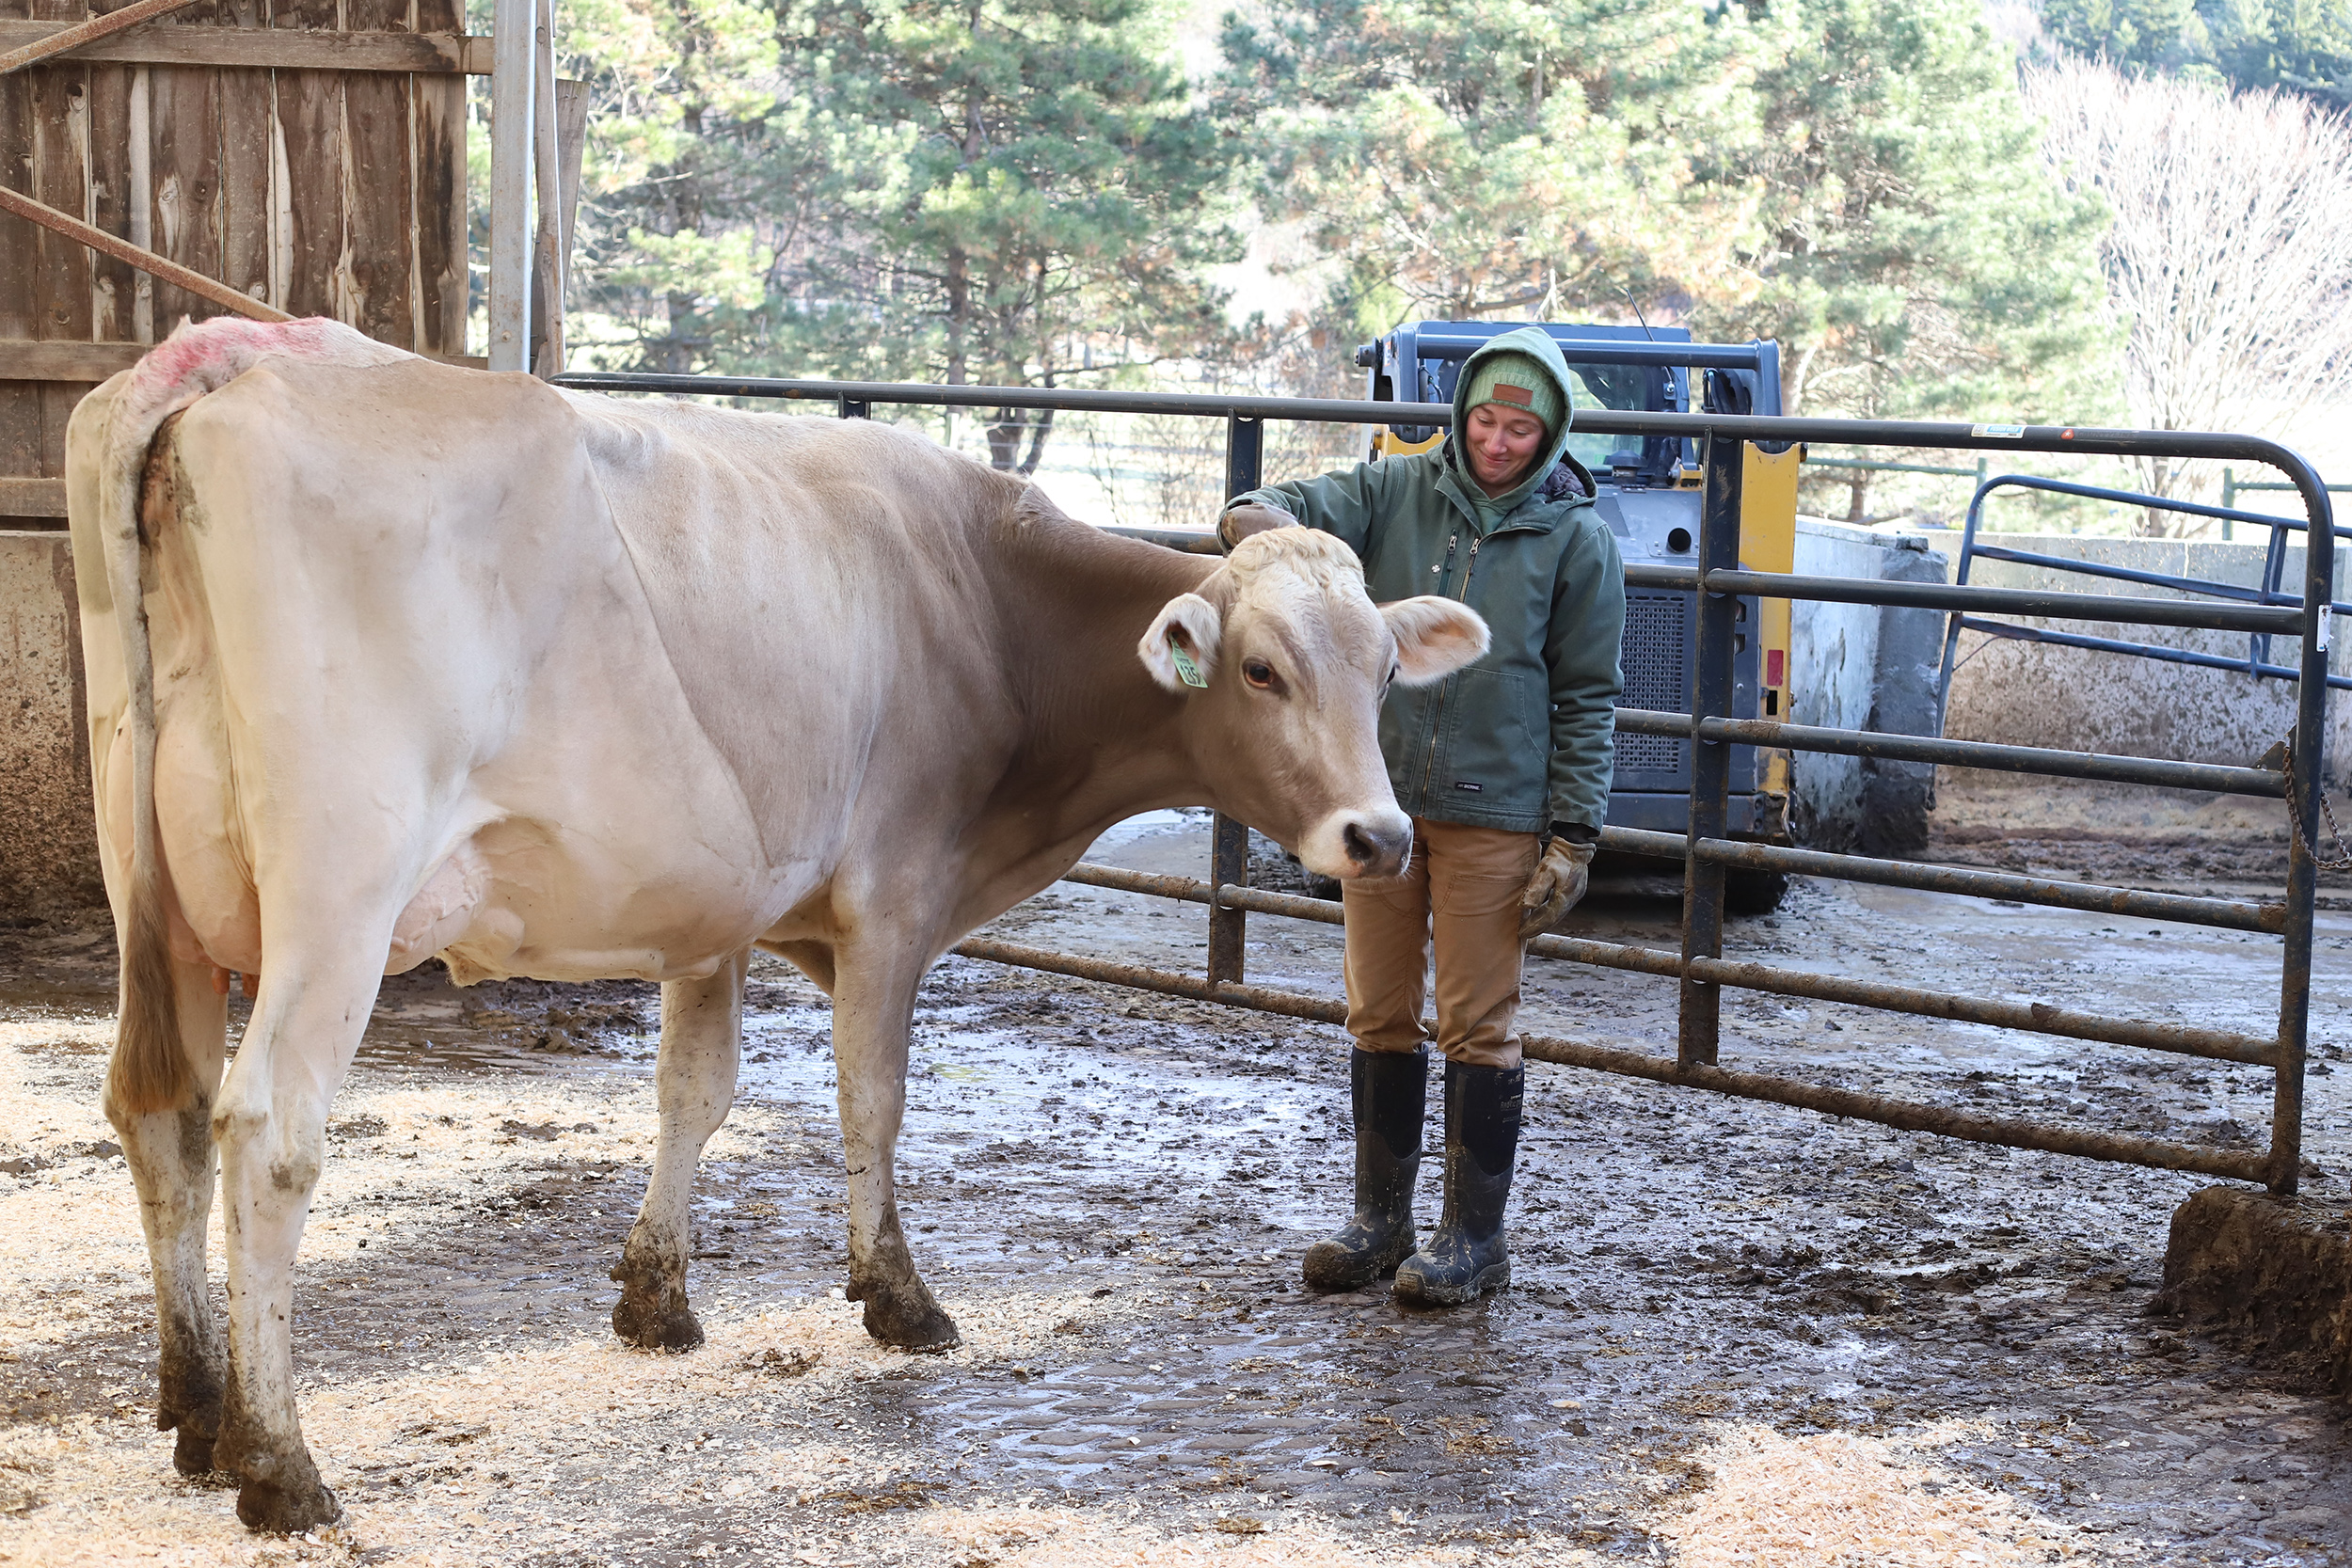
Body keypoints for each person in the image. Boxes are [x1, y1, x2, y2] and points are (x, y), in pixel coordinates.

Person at [1217, 326, 1625, 1307]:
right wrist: (1261, 530)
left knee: (1478, 1020)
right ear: (1460, 414)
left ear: (1553, 429)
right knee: (1377, 1008)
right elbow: (1274, 509)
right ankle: (1378, 1220)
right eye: (1484, 417)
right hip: (1381, 802)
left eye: (1519, 426)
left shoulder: (1576, 541)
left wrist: (1571, 834)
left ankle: (1473, 1237)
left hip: (1497, 807)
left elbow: (1588, 694)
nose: (1495, 440)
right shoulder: (1389, 490)